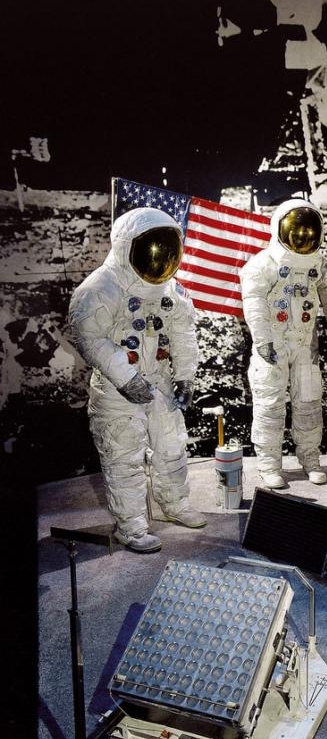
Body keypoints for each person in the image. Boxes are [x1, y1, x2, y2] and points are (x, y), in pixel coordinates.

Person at [69, 206, 206, 553]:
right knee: (123, 456)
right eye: (152, 250)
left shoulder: (171, 290)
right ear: (127, 246)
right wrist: (127, 377)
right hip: (118, 388)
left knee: (171, 446)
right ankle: (130, 527)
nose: (159, 260)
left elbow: (183, 335)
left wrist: (185, 377)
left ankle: (174, 504)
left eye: (167, 251)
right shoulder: (100, 288)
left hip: (158, 381)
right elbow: (90, 338)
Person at [240, 198, 327, 488]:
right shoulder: (262, 265)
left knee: (309, 403)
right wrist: (263, 340)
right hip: (272, 347)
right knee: (269, 406)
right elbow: (254, 303)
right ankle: (269, 466)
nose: (302, 237)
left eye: (309, 232)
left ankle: (311, 460)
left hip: (305, 347)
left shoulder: (321, 266)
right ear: (279, 229)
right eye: (296, 231)